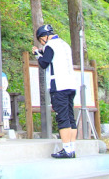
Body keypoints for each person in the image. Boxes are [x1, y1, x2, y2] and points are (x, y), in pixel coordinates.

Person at [32, 24, 78, 158]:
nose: (42, 42)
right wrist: (42, 53)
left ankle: (66, 149)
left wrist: (36, 54)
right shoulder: (64, 44)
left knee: (62, 117)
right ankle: (72, 148)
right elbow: (54, 60)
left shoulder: (50, 46)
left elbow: (44, 63)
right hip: (71, 84)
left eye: (41, 40)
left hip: (59, 86)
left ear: (44, 37)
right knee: (70, 117)